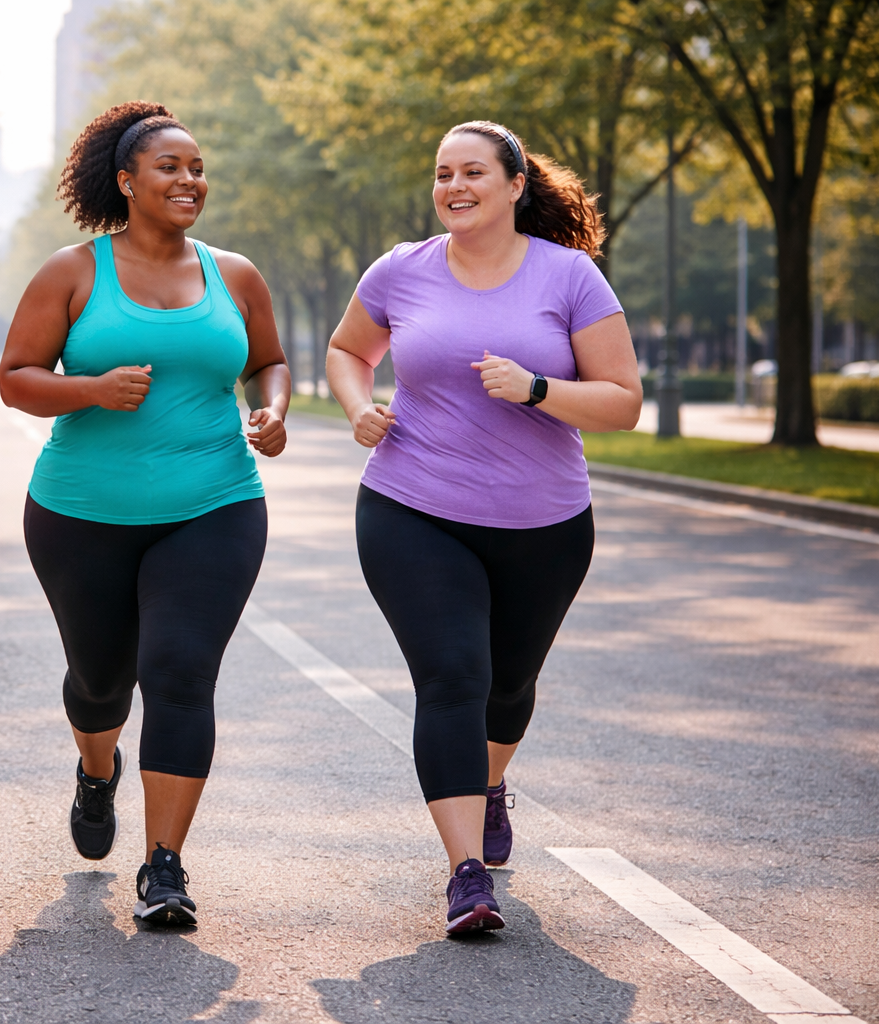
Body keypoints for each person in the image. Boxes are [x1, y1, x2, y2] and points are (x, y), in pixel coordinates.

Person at [326, 121, 641, 936]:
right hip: (410, 506)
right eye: (442, 174)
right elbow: (346, 350)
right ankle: (467, 875)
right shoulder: (402, 269)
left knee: (507, 684)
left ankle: (491, 781)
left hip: (544, 523)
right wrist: (362, 408)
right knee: (453, 678)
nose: (454, 186)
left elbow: (622, 401)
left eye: (473, 172)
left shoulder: (570, 277)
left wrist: (539, 388)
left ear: (513, 186)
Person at [0, 101, 290, 926]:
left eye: (197, 167)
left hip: (216, 503)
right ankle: (97, 770)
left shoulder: (233, 274)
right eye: (170, 167)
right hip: (81, 512)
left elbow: (268, 362)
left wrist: (271, 411)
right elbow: (16, 377)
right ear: (126, 182)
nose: (189, 179)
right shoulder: (73, 272)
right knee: (101, 682)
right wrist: (89, 389)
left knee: (179, 672)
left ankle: (165, 866)